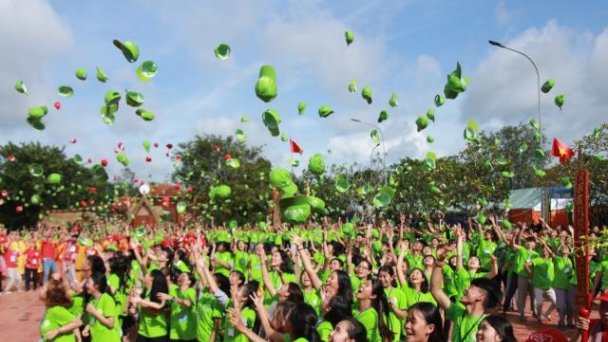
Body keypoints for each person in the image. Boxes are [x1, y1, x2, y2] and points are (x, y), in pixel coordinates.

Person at [431, 247, 503, 342]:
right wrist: (439, 264)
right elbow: (435, 289)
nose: (465, 289)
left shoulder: (489, 324)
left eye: (471, 288)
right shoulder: (457, 313)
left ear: (480, 297)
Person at [129, 269, 170, 342]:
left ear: (152, 278)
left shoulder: (159, 293)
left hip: (157, 333)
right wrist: (134, 308)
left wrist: (140, 301)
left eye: (148, 274)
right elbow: (140, 307)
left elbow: (156, 311)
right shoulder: (145, 292)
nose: (146, 274)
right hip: (143, 331)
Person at [83, 273, 121, 342]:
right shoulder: (91, 299)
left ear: (96, 285)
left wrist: (94, 311)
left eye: (88, 282)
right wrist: (87, 328)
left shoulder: (107, 299)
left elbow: (110, 323)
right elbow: (93, 320)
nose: (86, 285)